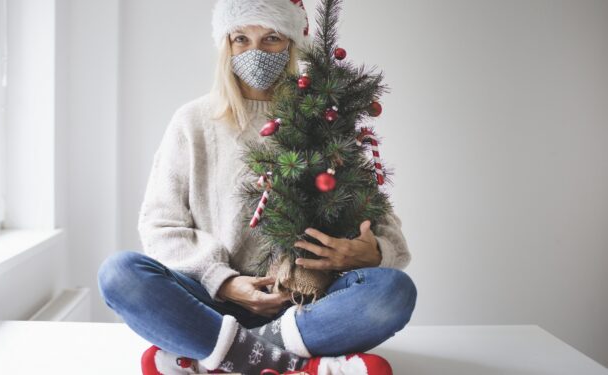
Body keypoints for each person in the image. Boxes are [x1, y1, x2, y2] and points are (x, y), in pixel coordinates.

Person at [97, 1, 417, 374]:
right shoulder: (193, 122)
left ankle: (216, 357)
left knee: (393, 291)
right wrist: (227, 283)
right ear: (225, 46)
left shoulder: (323, 122)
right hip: (211, 299)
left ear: (292, 45)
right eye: (240, 39)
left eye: (271, 38)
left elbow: (386, 228)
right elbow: (160, 226)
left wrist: (370, 251)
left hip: (306, 303)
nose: (255, 51)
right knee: (119, 273)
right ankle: (299, 364)